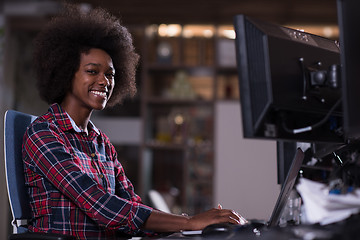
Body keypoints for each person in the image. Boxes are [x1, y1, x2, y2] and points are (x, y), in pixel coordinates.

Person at [22, 3, 245, 240]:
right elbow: (100, 205)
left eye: (110, 75)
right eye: (92, 71)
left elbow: (130, 206)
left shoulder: (101, 143)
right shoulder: (43, 134)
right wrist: (189, 222)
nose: (104, 81)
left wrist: (184, 230)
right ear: (66, 72)